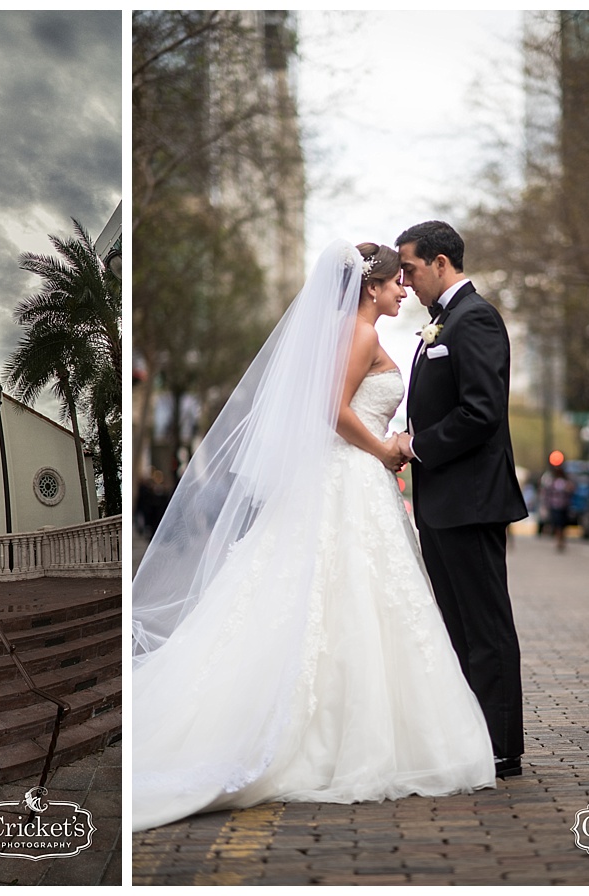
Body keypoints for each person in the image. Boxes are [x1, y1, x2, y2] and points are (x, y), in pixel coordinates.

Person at [132, 241, 495, 833]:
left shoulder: (355, 333)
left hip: (352, 476)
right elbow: (333, 409)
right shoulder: (357, 333)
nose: (404, 288)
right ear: (369, 289)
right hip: (350, 473)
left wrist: (392, 440)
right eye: (395, 282)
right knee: (348, 590)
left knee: (347, 596)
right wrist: (382, 447)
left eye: (408, 279)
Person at [394, 220, 529, 780]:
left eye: (411, 268)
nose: (405, 279)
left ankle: (501, 747)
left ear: (441, 262)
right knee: (457, 626)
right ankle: (473, 737)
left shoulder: (475, 319)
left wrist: (416, 445)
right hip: (443, 503)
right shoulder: (439, 324)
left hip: (472, 501)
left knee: (486, 625)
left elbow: (481, 412)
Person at [544, 465, 575, 551]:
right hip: (555, 506)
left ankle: (562, 539)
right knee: (557, 524)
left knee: (563, 524)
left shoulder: (566, 482)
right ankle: (558, 540)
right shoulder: (551, 482)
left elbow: (571, 490)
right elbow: (547, 493)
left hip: (564, 506)